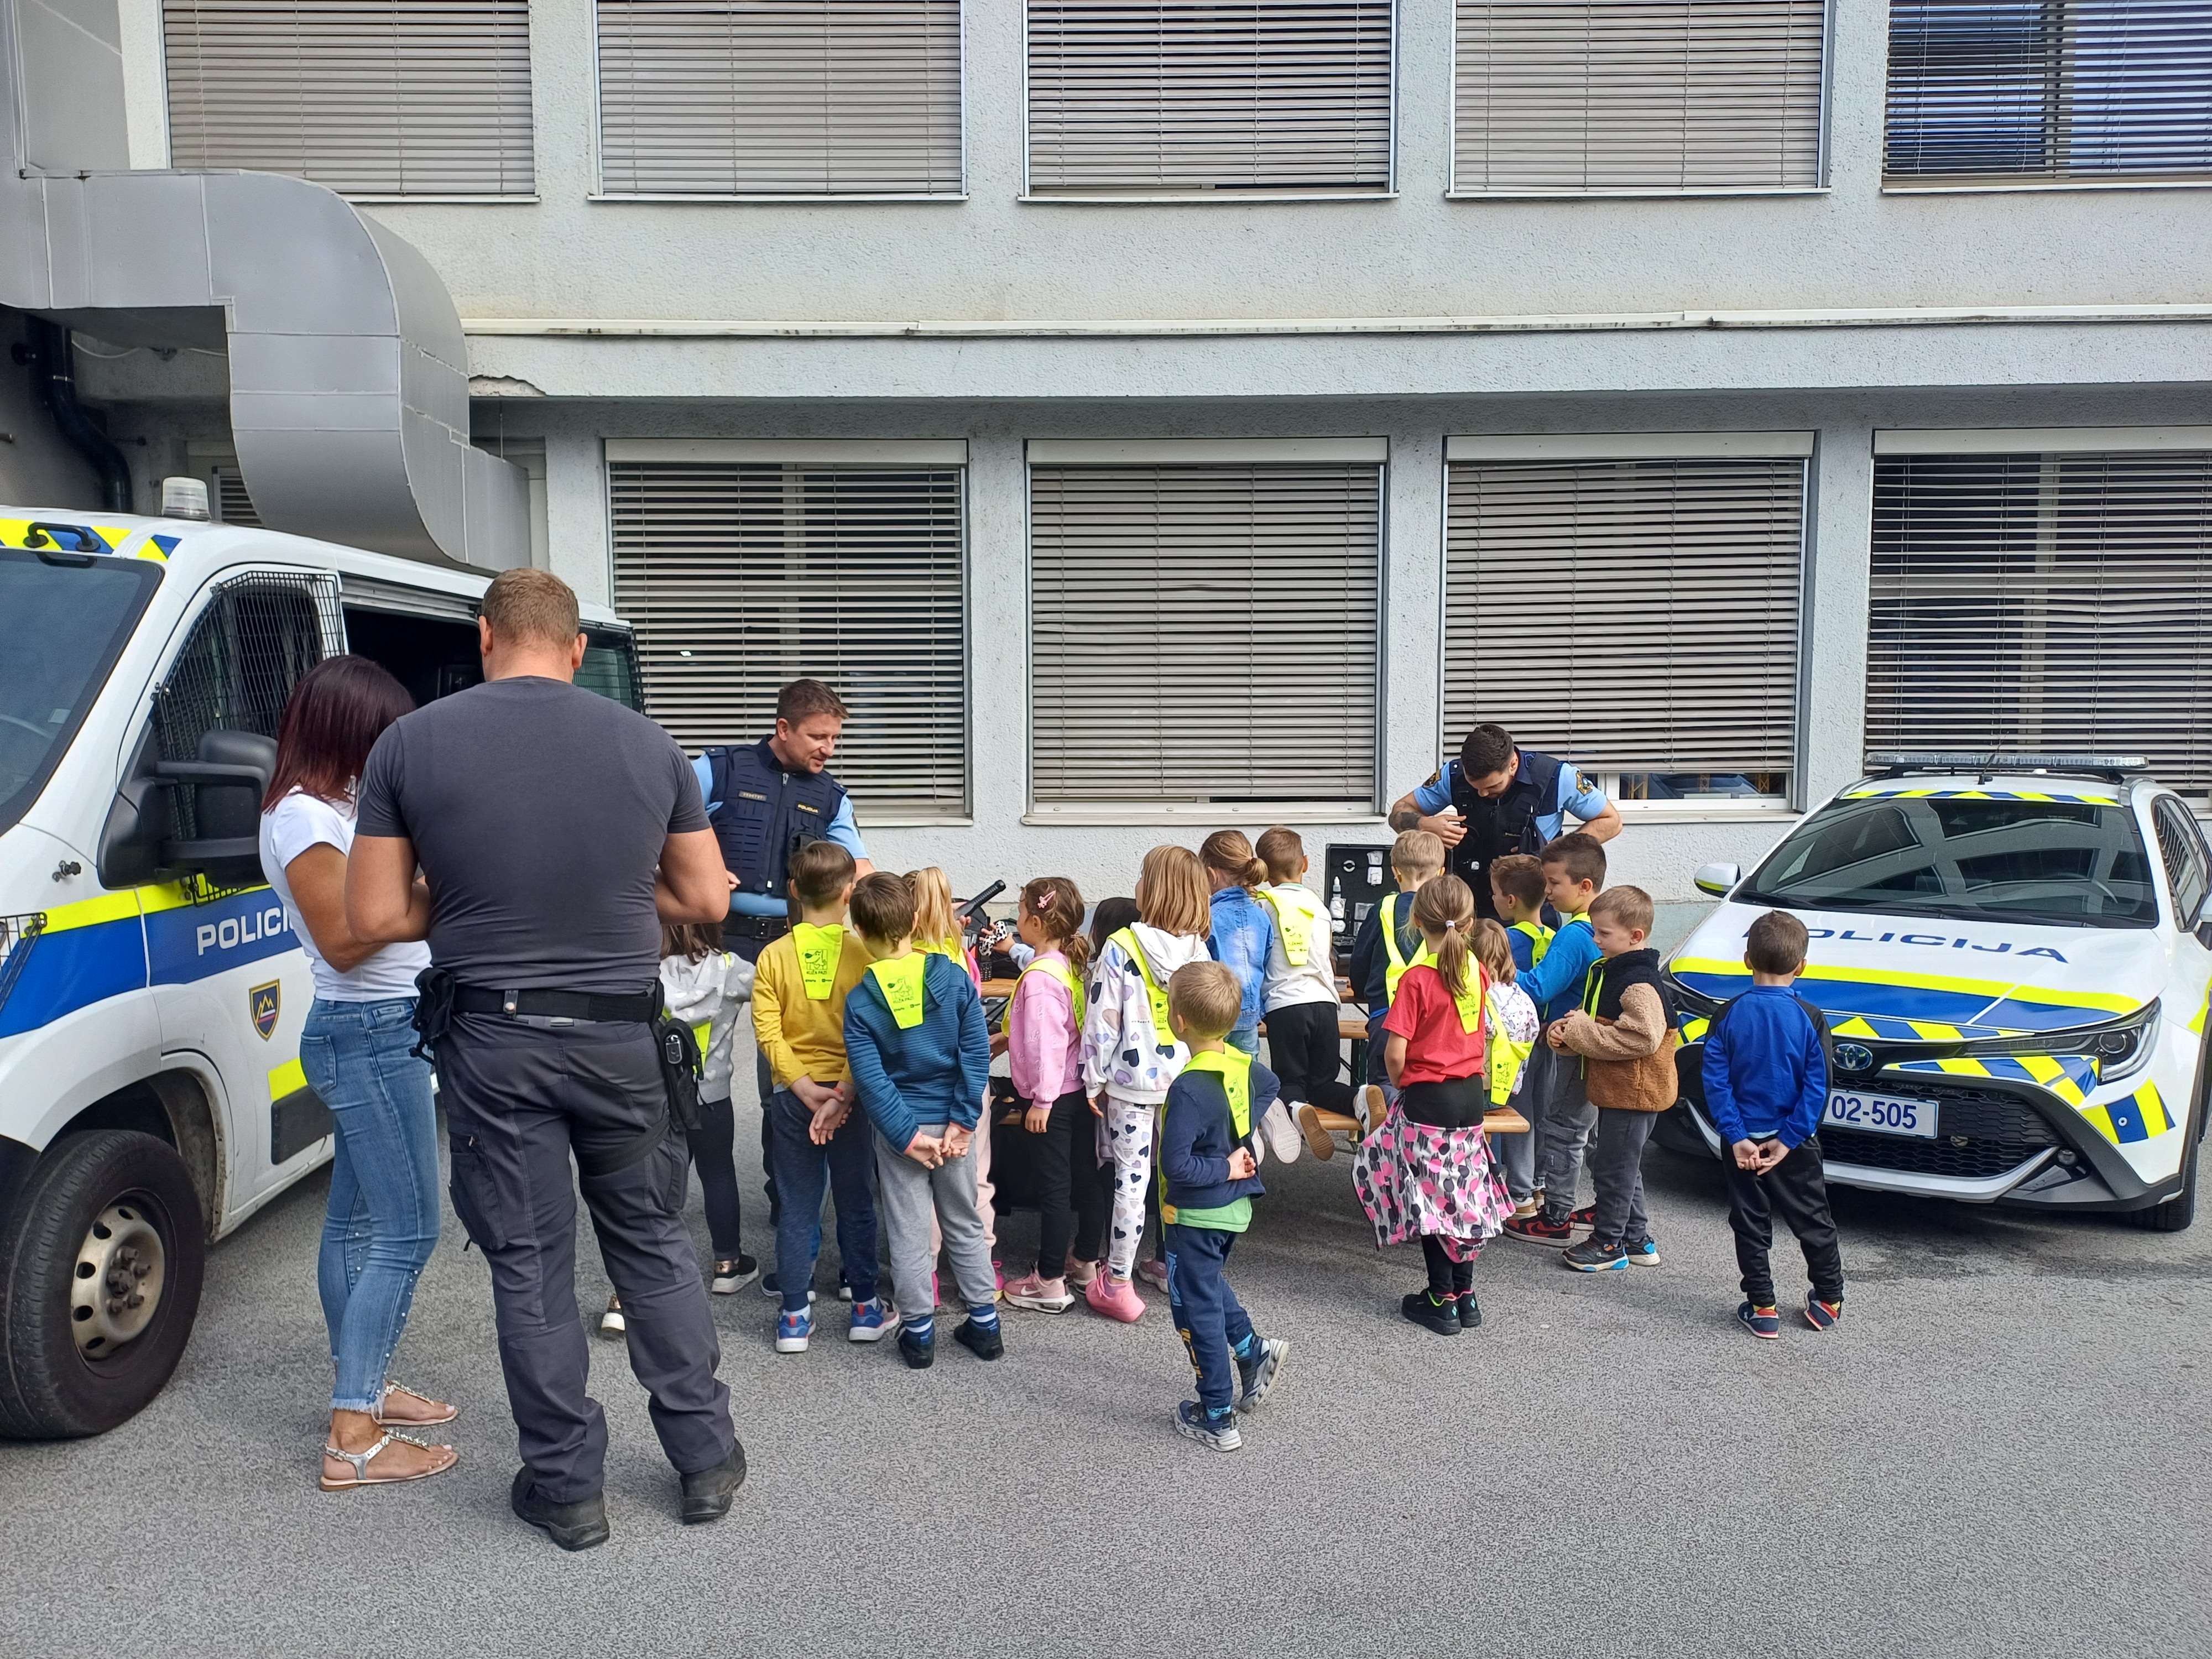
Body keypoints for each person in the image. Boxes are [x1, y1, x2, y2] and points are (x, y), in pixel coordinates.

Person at [347, 567, 740, 1552]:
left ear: (485, 637)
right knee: (651, 1244)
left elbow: (374, 916)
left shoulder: (409, 745)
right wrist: (612, 892)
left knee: (528, 1264)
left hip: (495, 1043)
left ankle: (568, 1491)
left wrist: (474, 895)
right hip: (620, 1041)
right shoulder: (649, 745)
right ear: (576, 650)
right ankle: (705, 1461)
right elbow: (707, 901)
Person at [258, 655, 455, 1493]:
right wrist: (447, 894)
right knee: (410, 1230)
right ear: (348, 730)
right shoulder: (302, 816)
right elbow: (344, 939)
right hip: (366, 1032)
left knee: (353, 1222)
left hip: (375, 1029)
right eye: (384, 734)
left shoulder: (337, 807)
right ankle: (353, 1437)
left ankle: (363, 1389)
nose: (393, 750)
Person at [694, 678, 874, 1239]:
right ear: (783, 728)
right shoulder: (717, 770)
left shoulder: (833, 797)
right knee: (699, 1078)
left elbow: (861, 871)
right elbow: (655, 825)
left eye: (835, 738)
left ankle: (786, 1195)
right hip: (715, 944)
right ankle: (705, 1204)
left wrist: (905, 918)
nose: (829, 748)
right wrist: (692, 870)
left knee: (783, 1081)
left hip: (789, 950)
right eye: (819, 737)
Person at [842, 873, 1001, 1370]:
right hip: (954, 1127)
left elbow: (872, 1081)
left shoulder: (860, 1002)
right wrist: (964, 1122)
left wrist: (907, 1138)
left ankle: (918, 1335)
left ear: (859, 931)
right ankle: (985, 1326)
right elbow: (975, 1052)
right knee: (964, 1220)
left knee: (909, 1230)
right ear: (915, 920)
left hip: (902, 1133)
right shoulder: (953, 979)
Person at [750, 839, 895, 1353]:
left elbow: (768, 1032)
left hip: (794, 1098)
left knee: (797, 1203)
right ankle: (864, 1307)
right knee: (857, 1200)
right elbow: (874, 1027)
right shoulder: (864, 953)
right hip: (852, 1096)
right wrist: (844, 1091)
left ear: (793, 890)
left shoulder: (772, 956)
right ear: (849, 893)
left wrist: (801, 1085)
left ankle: (794, 1316)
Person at [1354, 875, 1511, 1336]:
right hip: (1470, 1097)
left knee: (1431, 1198)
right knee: (1465, 1193)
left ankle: (1441, 1298)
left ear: (1417, 922)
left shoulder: (1417, 979)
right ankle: (1466, 1293)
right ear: (1470, 923)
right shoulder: (1476, 970)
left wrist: (1403, 1083)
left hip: (1429, 1098)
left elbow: (1395, 1052)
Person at [1158, 961, 1290, 1452]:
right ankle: (1251, 1350)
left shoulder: (1188, 1088)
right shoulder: (1240, 1063)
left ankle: (1216, 1413)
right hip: (1230, 1212)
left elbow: (1176, 1167)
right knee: (1207, 1283)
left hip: (1193, 1214)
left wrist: (1225, 1164)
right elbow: (1271, 1085)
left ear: (1178, 1021)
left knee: (1196, 1312)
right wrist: (1241, 1139)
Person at [1081, 847, 1214, 1322]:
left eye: (1142, 875)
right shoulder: (1200, 951)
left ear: (1154, 889)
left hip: (1130, 1086)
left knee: (1130, 1184)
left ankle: (1118, 1282)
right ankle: (1173, 1269)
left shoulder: (1121, 946)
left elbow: (1102, 1020)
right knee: (1176, 1180)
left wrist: (1093, 1078)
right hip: (1186, 1084)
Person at [604, 920, 755, 1338]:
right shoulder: (732, 969)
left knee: (654, 1187)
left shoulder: (643, 970)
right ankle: (727, 1265)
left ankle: (625, 1294)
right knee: (718, 1174)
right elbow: (773, 990)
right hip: (711, 1096)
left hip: (660, 1099)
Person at [1702, 911, 1846, 1338]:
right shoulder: (1810, 1017)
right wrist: (1789, 1138)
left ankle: (1763, 1306)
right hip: (1794, 1143)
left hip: (1743, 1140)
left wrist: (1736, 1135)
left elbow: (1715, 1080)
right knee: (1813, 1218)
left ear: (1747, 960)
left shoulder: (1728, 1013)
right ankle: (1829, 1298)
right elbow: (1818, 1086)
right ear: (1802, 966)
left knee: (1749, 1221)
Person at [1542, 886, 1676, 1274]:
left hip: (1634, 1094)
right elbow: (1595, 1023)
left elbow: (1641, 1038)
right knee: (1623, 1165)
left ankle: (1608, 1244)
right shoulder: (1613, 970)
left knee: (1614, 1170)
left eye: (1603, 933)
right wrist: (1567, 1033)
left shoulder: (1638, 983)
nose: (1596, 939)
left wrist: (1579, 1031)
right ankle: (1636, 1238)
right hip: (1621, 1092)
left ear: (1635, 936)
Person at [1388, 723, 1621, 920]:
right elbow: (1398, 812)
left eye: (1492, 787)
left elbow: (1611, 821)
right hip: (1466, 905)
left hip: (1532, 909)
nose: (1482, 794)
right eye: (1475, 787)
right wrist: (1424, 825)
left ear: (1513, 765)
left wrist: (1555, 850)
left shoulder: (1557, 777)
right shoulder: (1452, 775)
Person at [1003, 877, 1105, 1315]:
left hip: (1052, 1098)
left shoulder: (1040, 979)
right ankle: (1085, 1262)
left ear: (1037, 922)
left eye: (1021, 910)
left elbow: (1046, 1043)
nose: (1017, 917)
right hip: (1076, 1089)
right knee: (1085, 1178)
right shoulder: (1066, 964)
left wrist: (1041, 1101)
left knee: (1054, 1190)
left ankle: (1048, 1280)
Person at [1501, 832, 1608, 1245]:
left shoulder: (1573, 935)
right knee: (1569, 1127)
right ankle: (1551, 1195)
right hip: (1581, 1041)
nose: (1547, 891)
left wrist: (1494, 968)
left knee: (1560, 1126)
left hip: (1566, 1044)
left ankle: (1550, 1212)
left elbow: (1539, 987)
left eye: (1554, 883)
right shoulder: (1596, 928)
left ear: (1584, 886)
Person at [1319, 830, 1443, 1157]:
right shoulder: (1445, 913)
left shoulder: (1382, 908)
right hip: (1434, 1020)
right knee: (1427, 1083)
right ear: (1441, 872)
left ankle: (1386, 1154)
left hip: (1386, 1016)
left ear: (1395, 872)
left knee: (1385, 1082)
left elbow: (1360, 961)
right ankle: (1421, 1151)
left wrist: (1361, 987)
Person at [905, 866, 998, 1285]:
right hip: (968, 1087)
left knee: (920, 1190)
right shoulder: (960, 958)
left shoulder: (898, 962)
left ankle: (925, 1277)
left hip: (918, 1092)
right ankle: (981, 1268)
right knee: (975, 1180)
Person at [1254, 826, 1348, 1159]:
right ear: (1305, 864)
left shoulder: (1263, 906)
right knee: (1324, 1083)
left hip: (1286, 1006)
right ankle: (1359, 1098)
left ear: (1262, 871)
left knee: (1291, 1081)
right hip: (1324, 1004)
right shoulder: (1320, 908)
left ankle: (1296, 1109)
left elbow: (1258, 956)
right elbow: (1328, 953)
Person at [1489, 852, 1554, 1214]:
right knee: (1542, 1112)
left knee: (1517, 1112)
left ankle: (1519, 1193)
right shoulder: (1554, 938)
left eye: (1495, 893)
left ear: (1510, 900)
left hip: (1512, 1042)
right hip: (1546, 1035)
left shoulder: (1506, 940)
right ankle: (1538, 1185)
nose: (1493, 899)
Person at [1198, 830, 1277, 1062]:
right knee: (1246, 1075)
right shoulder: (1262, 916)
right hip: (1250, 1017)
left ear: (1212, 875)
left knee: (1213, 1075)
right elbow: (1266, 960)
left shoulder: (1208, 918)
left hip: (1215, 1016)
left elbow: (1201, 965)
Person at [1473, 920, 1540, 1115]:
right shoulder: (1522, 998)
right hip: (1505, 1091)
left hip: (1471, 1090)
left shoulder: (1470, 997)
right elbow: (1532, 1035)